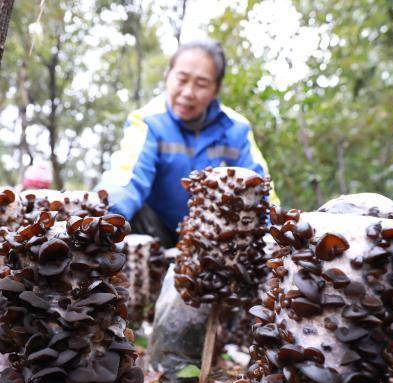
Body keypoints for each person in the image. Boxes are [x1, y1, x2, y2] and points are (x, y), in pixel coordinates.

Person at [96, 39, 279, 248]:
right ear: (168, 76)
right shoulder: (148, 120)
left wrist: (275, 234)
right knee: (128, 212)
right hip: (158, 232)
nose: (188, 92)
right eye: (181, 79)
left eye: (201, 84)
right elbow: (125, 178)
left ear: (216, 89)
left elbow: (262, 189)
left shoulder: (236, 129)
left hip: (217, 240)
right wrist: (98, 218)